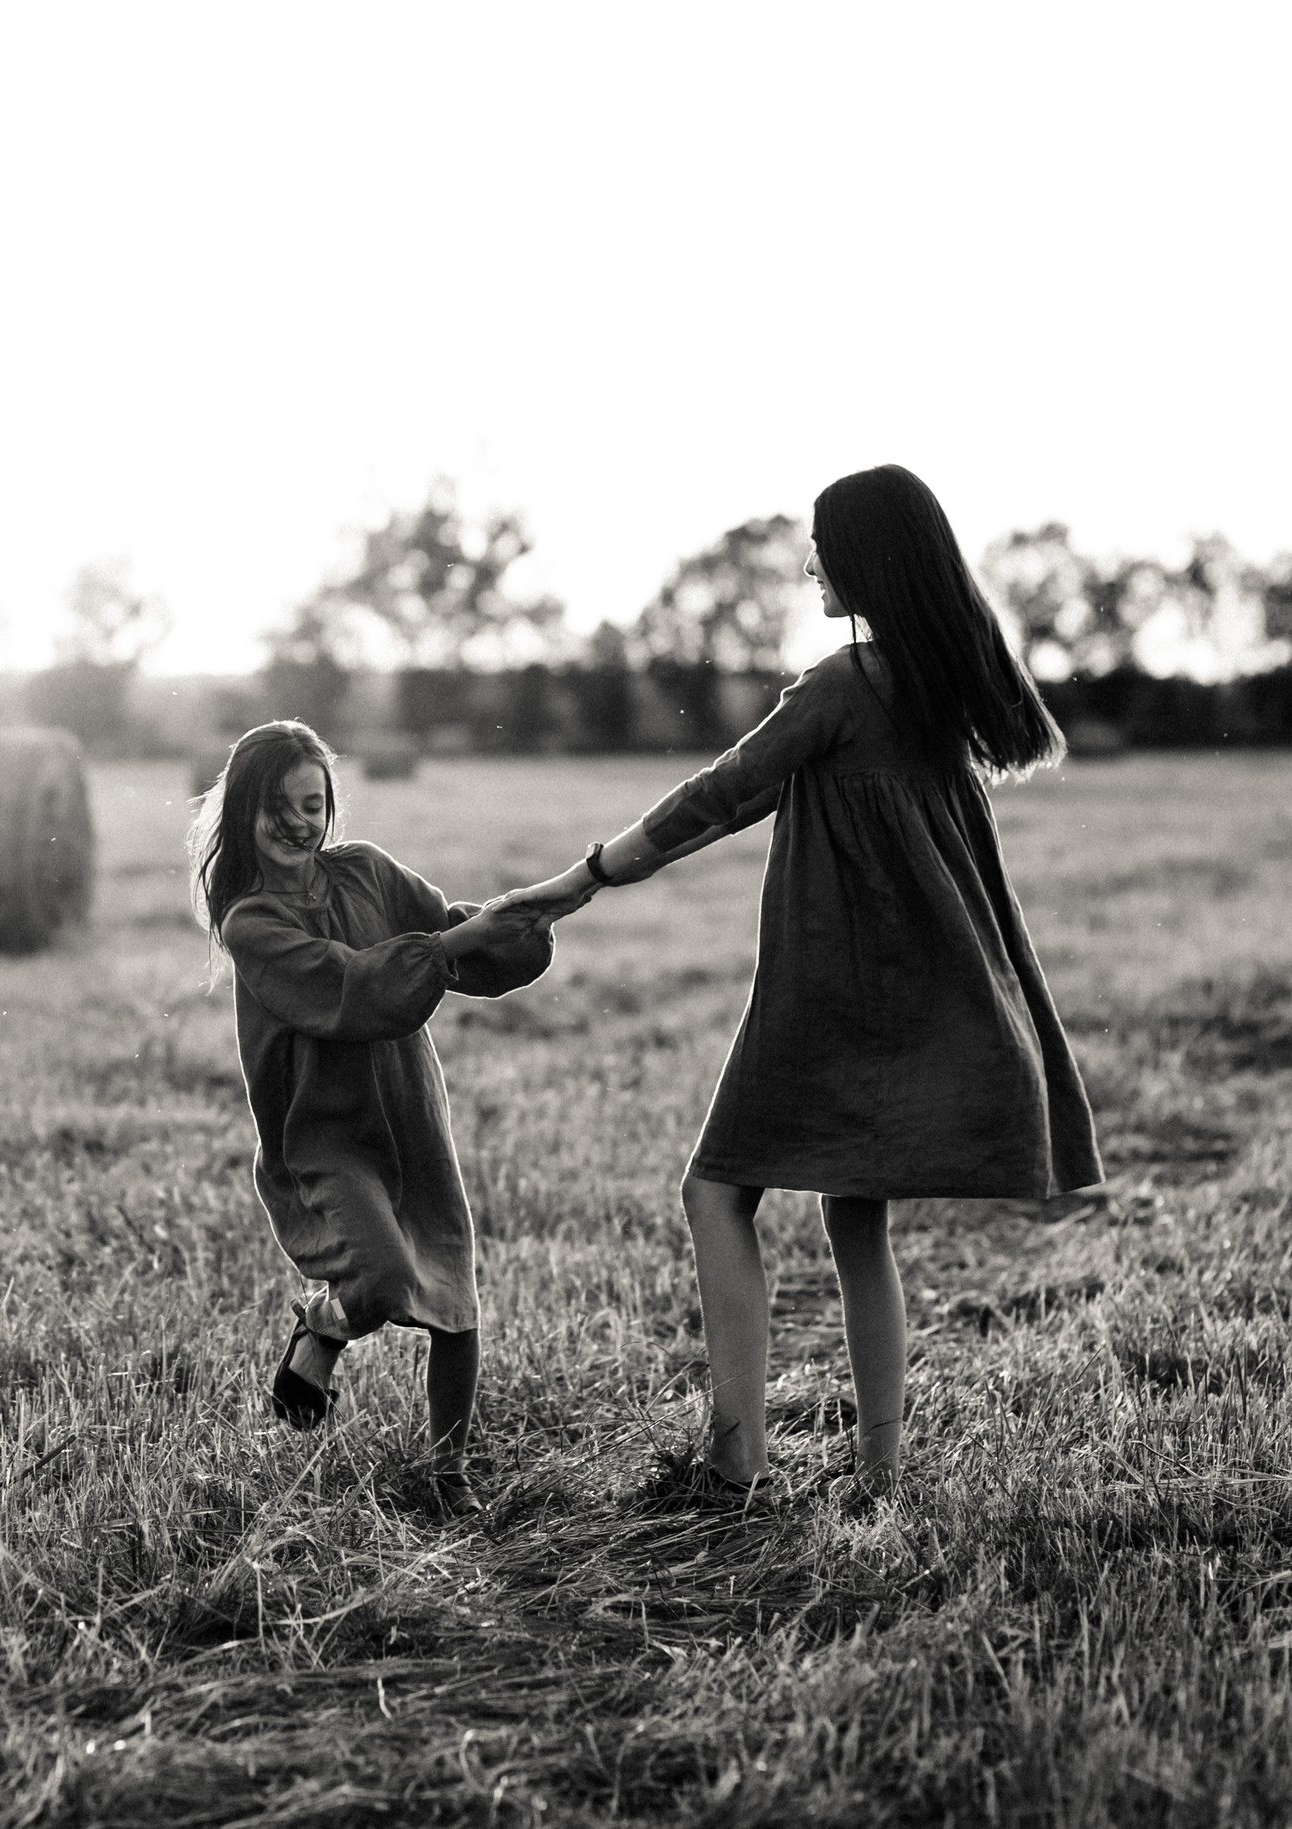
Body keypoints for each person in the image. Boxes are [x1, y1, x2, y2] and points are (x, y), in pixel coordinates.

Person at [499, 463, 1102, 1509]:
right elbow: (744, 800)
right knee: (850, 1214)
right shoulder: (933, 689)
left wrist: (576, 881)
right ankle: (878, 1472)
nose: (809, 561)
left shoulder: (843, 683)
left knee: (716, 1188)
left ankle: (735, 1457)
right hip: (915, 989)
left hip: (833, 989)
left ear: (861, 557)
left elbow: (717, 793)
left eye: (821, 543)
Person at [192, 720, 556, 1518]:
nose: (298, 822)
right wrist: (451, 939)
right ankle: (321, 1325)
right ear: (243, 811)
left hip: (409, 1113)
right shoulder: (251, 923)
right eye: (278, 806)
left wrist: (519, 923)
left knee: (454, 1298)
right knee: (386, 1278)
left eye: (312, 803)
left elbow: (447, 932)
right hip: (325, 1133)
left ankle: (447, 1469)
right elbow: (351, 986)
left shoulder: (368, 872)